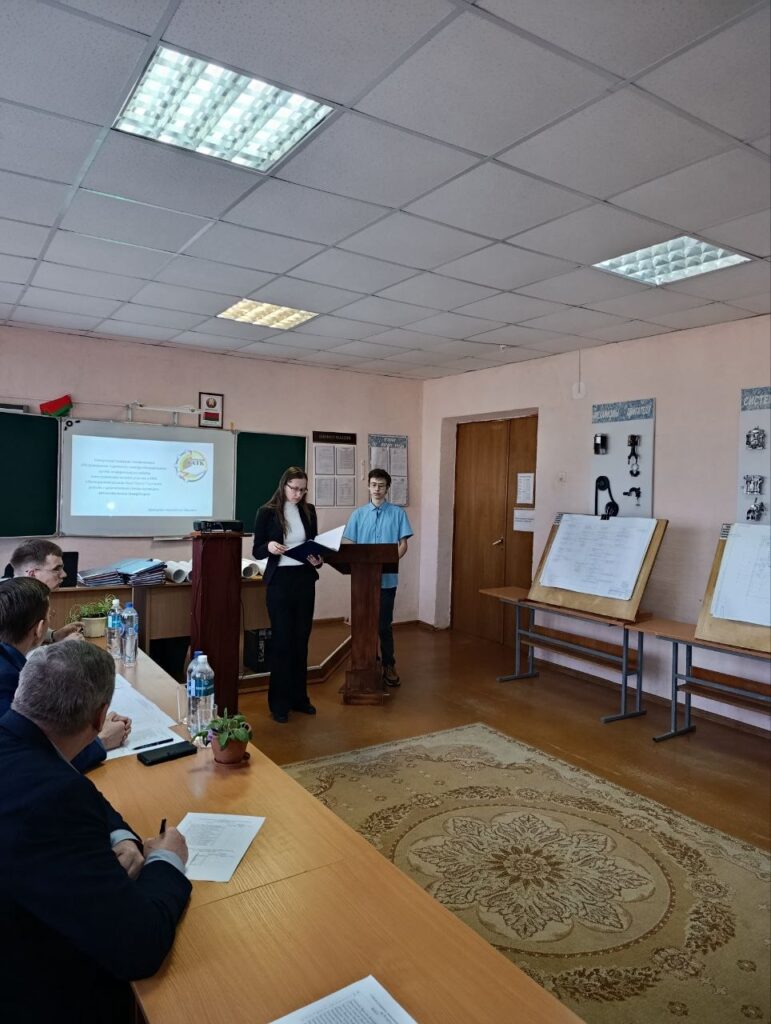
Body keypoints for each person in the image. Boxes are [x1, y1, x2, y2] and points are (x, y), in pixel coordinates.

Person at [0, 642, 191, 1023]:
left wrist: (120, 834)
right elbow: (138, 946)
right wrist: (167, 859)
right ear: (100, 717)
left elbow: (76, 787)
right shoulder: (55, 798)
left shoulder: (21, 748)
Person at [0, 577, 131, 769]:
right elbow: (26, 758)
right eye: (49, 616)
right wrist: (99, 740)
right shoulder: (6, 679)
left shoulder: (9, 663)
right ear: (39, 629)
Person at [252, 467, 323, 723]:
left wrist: (317, 559)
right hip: (280, 582)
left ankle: (299, 698)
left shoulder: (309, 510)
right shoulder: (267, 512)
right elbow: (257, 550)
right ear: (284, 486)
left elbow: (314, 545)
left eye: (303, 490)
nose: (298, 494)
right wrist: (270, 546)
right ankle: (279, 704)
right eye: (294, 488)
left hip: (304, 579)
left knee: (301, 640)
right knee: (282, 642)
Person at [344, 468, 413, 687]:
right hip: (363, 582)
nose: (377, 489)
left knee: (383, 625)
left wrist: (390, 560)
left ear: (387, 488)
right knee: (364, 624)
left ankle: (389, 664)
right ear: (368, 486)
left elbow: (403, 544)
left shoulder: (398, 514)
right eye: (373, 485)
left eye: (381, 486)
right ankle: (368, 662)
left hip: (387, 580)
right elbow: (352, 547)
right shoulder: (358, 515)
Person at [9, 538, 84, 641]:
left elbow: (27, 632)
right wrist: (62, 646)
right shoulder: (9, 604)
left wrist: (54, 635)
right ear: (32, 574)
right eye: (56, 569)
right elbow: (20, 648)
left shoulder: (30, 595)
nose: (64, 574)